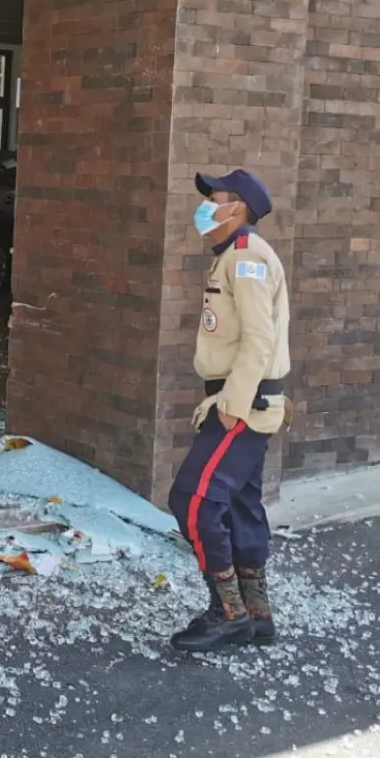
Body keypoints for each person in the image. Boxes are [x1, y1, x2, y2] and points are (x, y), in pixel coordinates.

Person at [167, 168, 290, 654]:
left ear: (236, 207)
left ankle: (229, 615)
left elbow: (260, 339)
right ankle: (256, 617)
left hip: (242, 402)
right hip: (242, 397)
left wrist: (233, 405)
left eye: (213, 197)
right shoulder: (236, 258)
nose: (205, 205)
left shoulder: (245, 259)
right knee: (240, 504)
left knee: (194, 500)